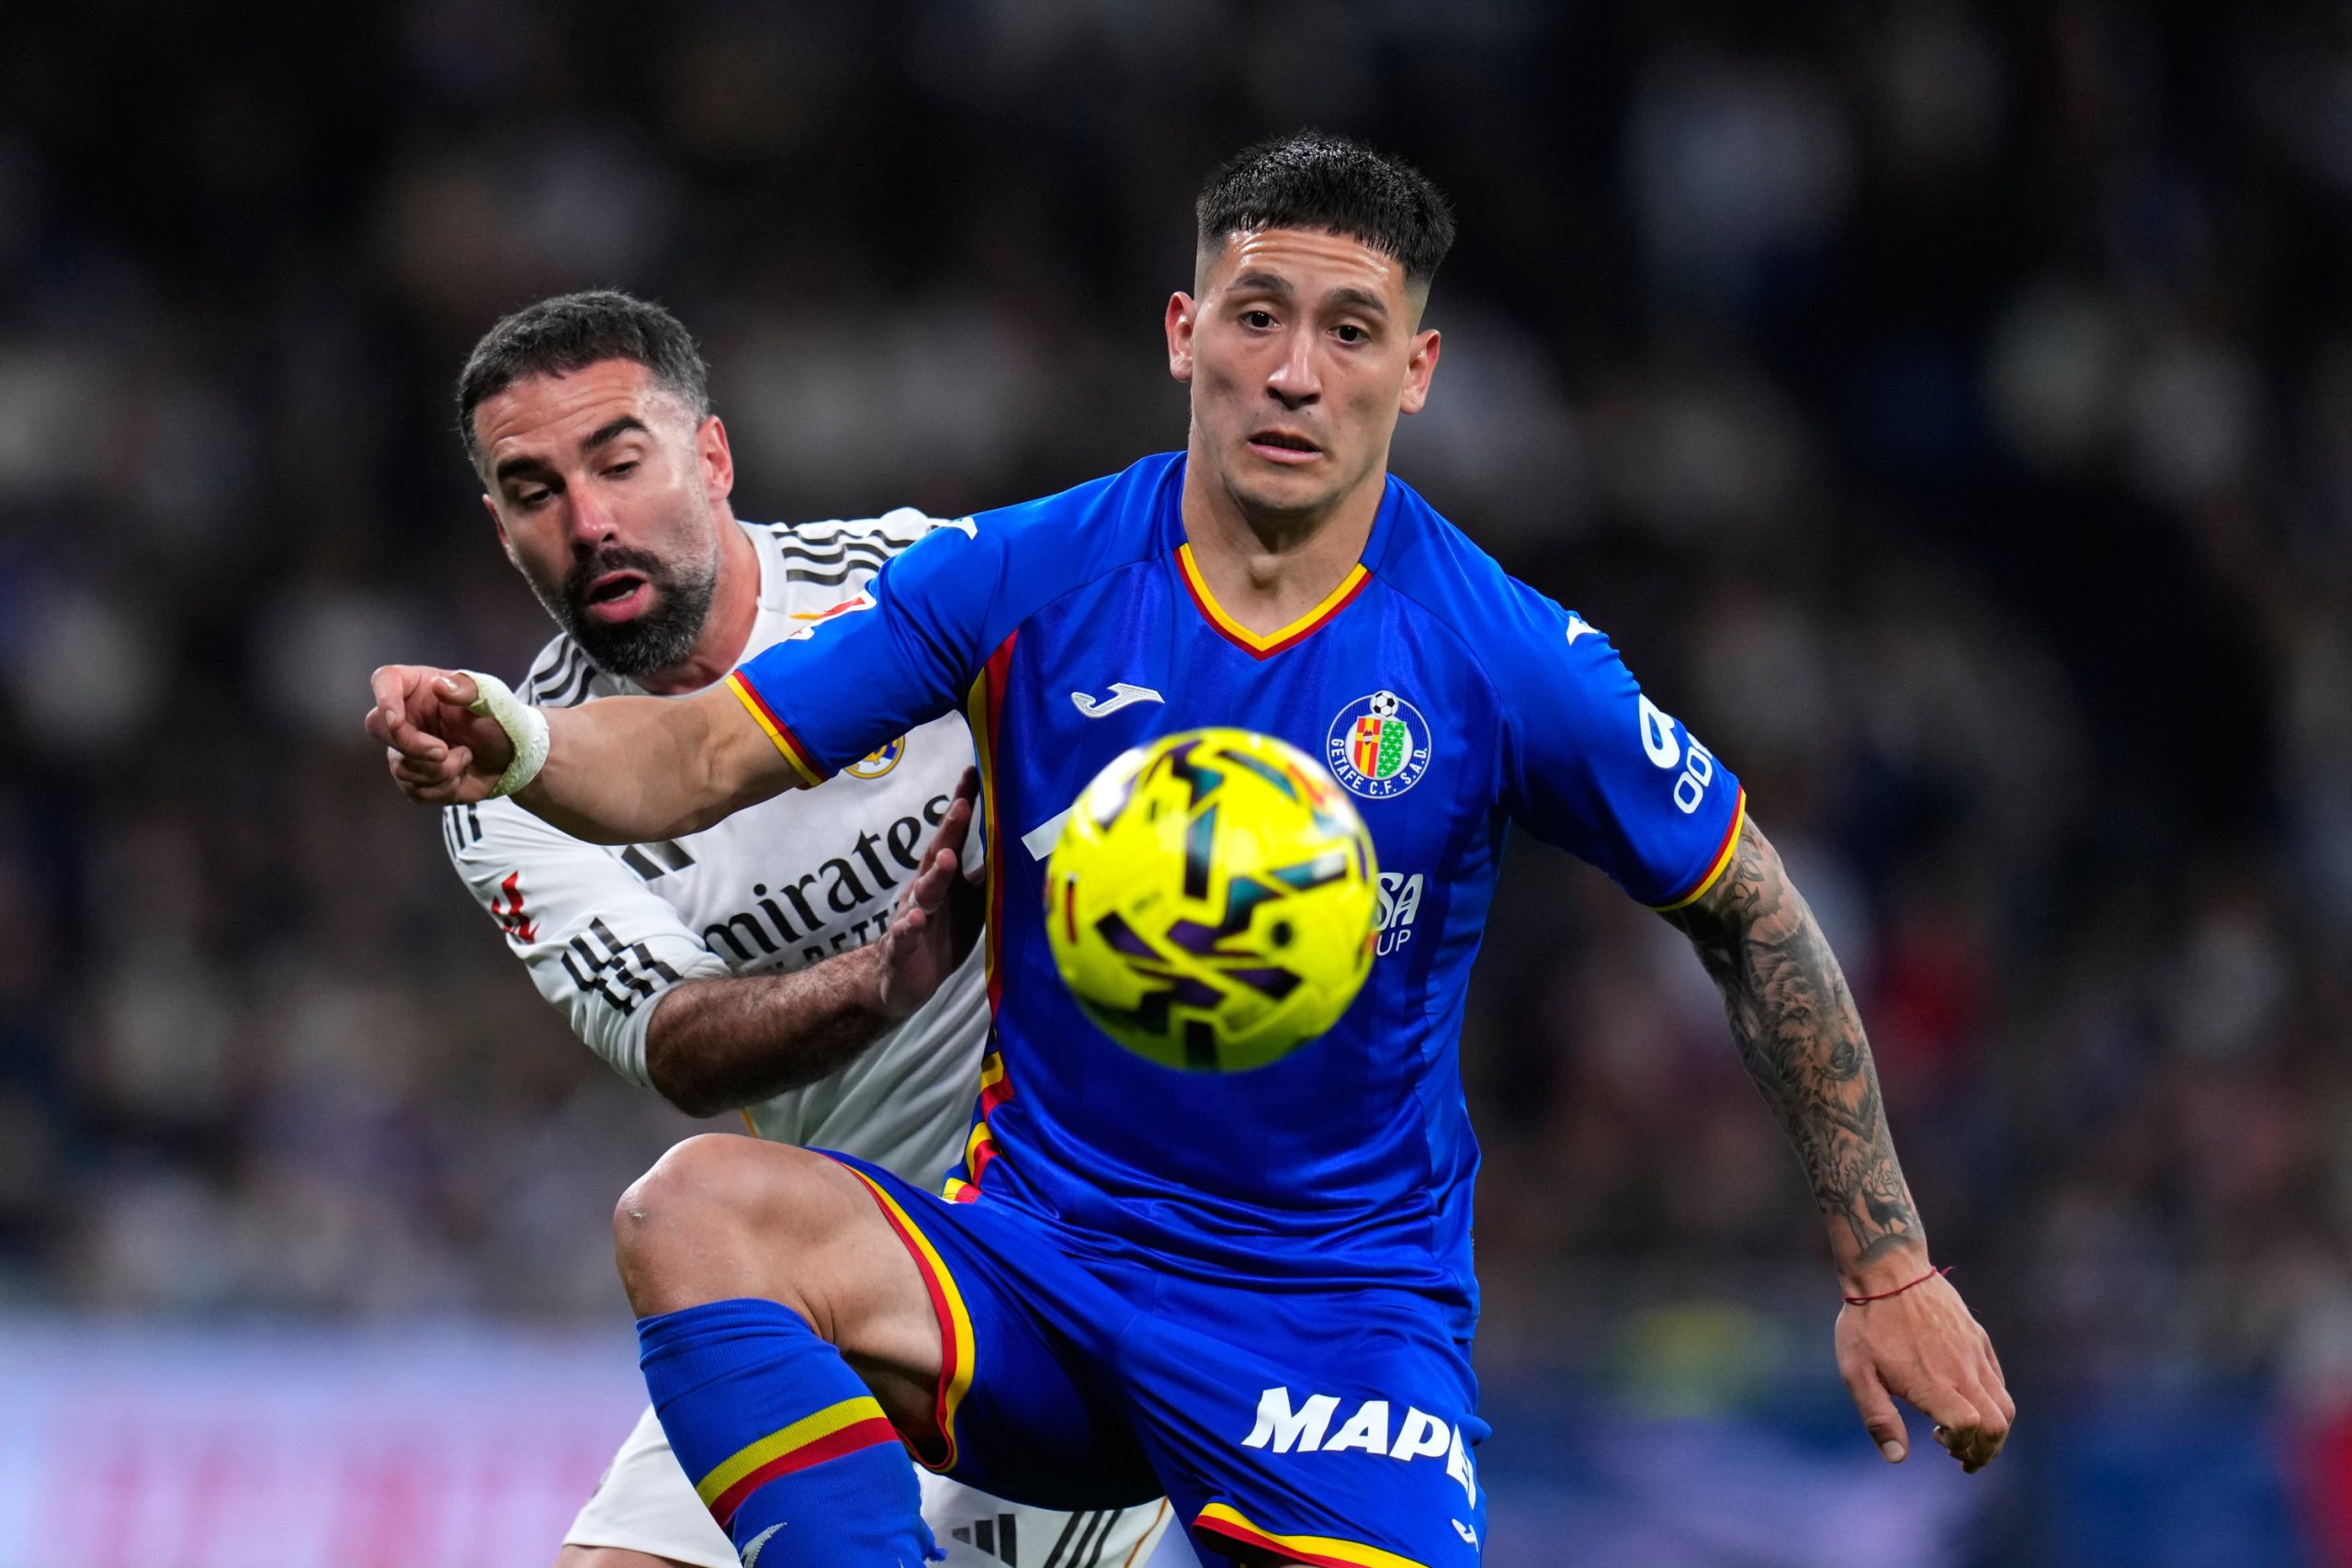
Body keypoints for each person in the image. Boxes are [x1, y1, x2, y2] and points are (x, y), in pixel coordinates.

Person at [371, 135, 2014, 1566]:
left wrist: (1888, 1266)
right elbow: (700, 751)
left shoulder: (1505, 660)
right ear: (1185, 336)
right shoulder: (1030, 576)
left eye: (1350, 331)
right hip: (1036, 1277)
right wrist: (504, 742)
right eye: (1256, 319)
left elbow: (1753, 908)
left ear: (1417, 370)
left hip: (1332, 1334)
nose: (1296, 373)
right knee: (690, 1212)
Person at [438, 291, 1170, 1568]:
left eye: (619, 460)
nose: (589, 521)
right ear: (500, 528)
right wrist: (875, 984)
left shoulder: (912, 584)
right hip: (828, 1260)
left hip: (1086, 1229)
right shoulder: (513, 771)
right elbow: (670, 1045)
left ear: (711, 458)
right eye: (534, 489)